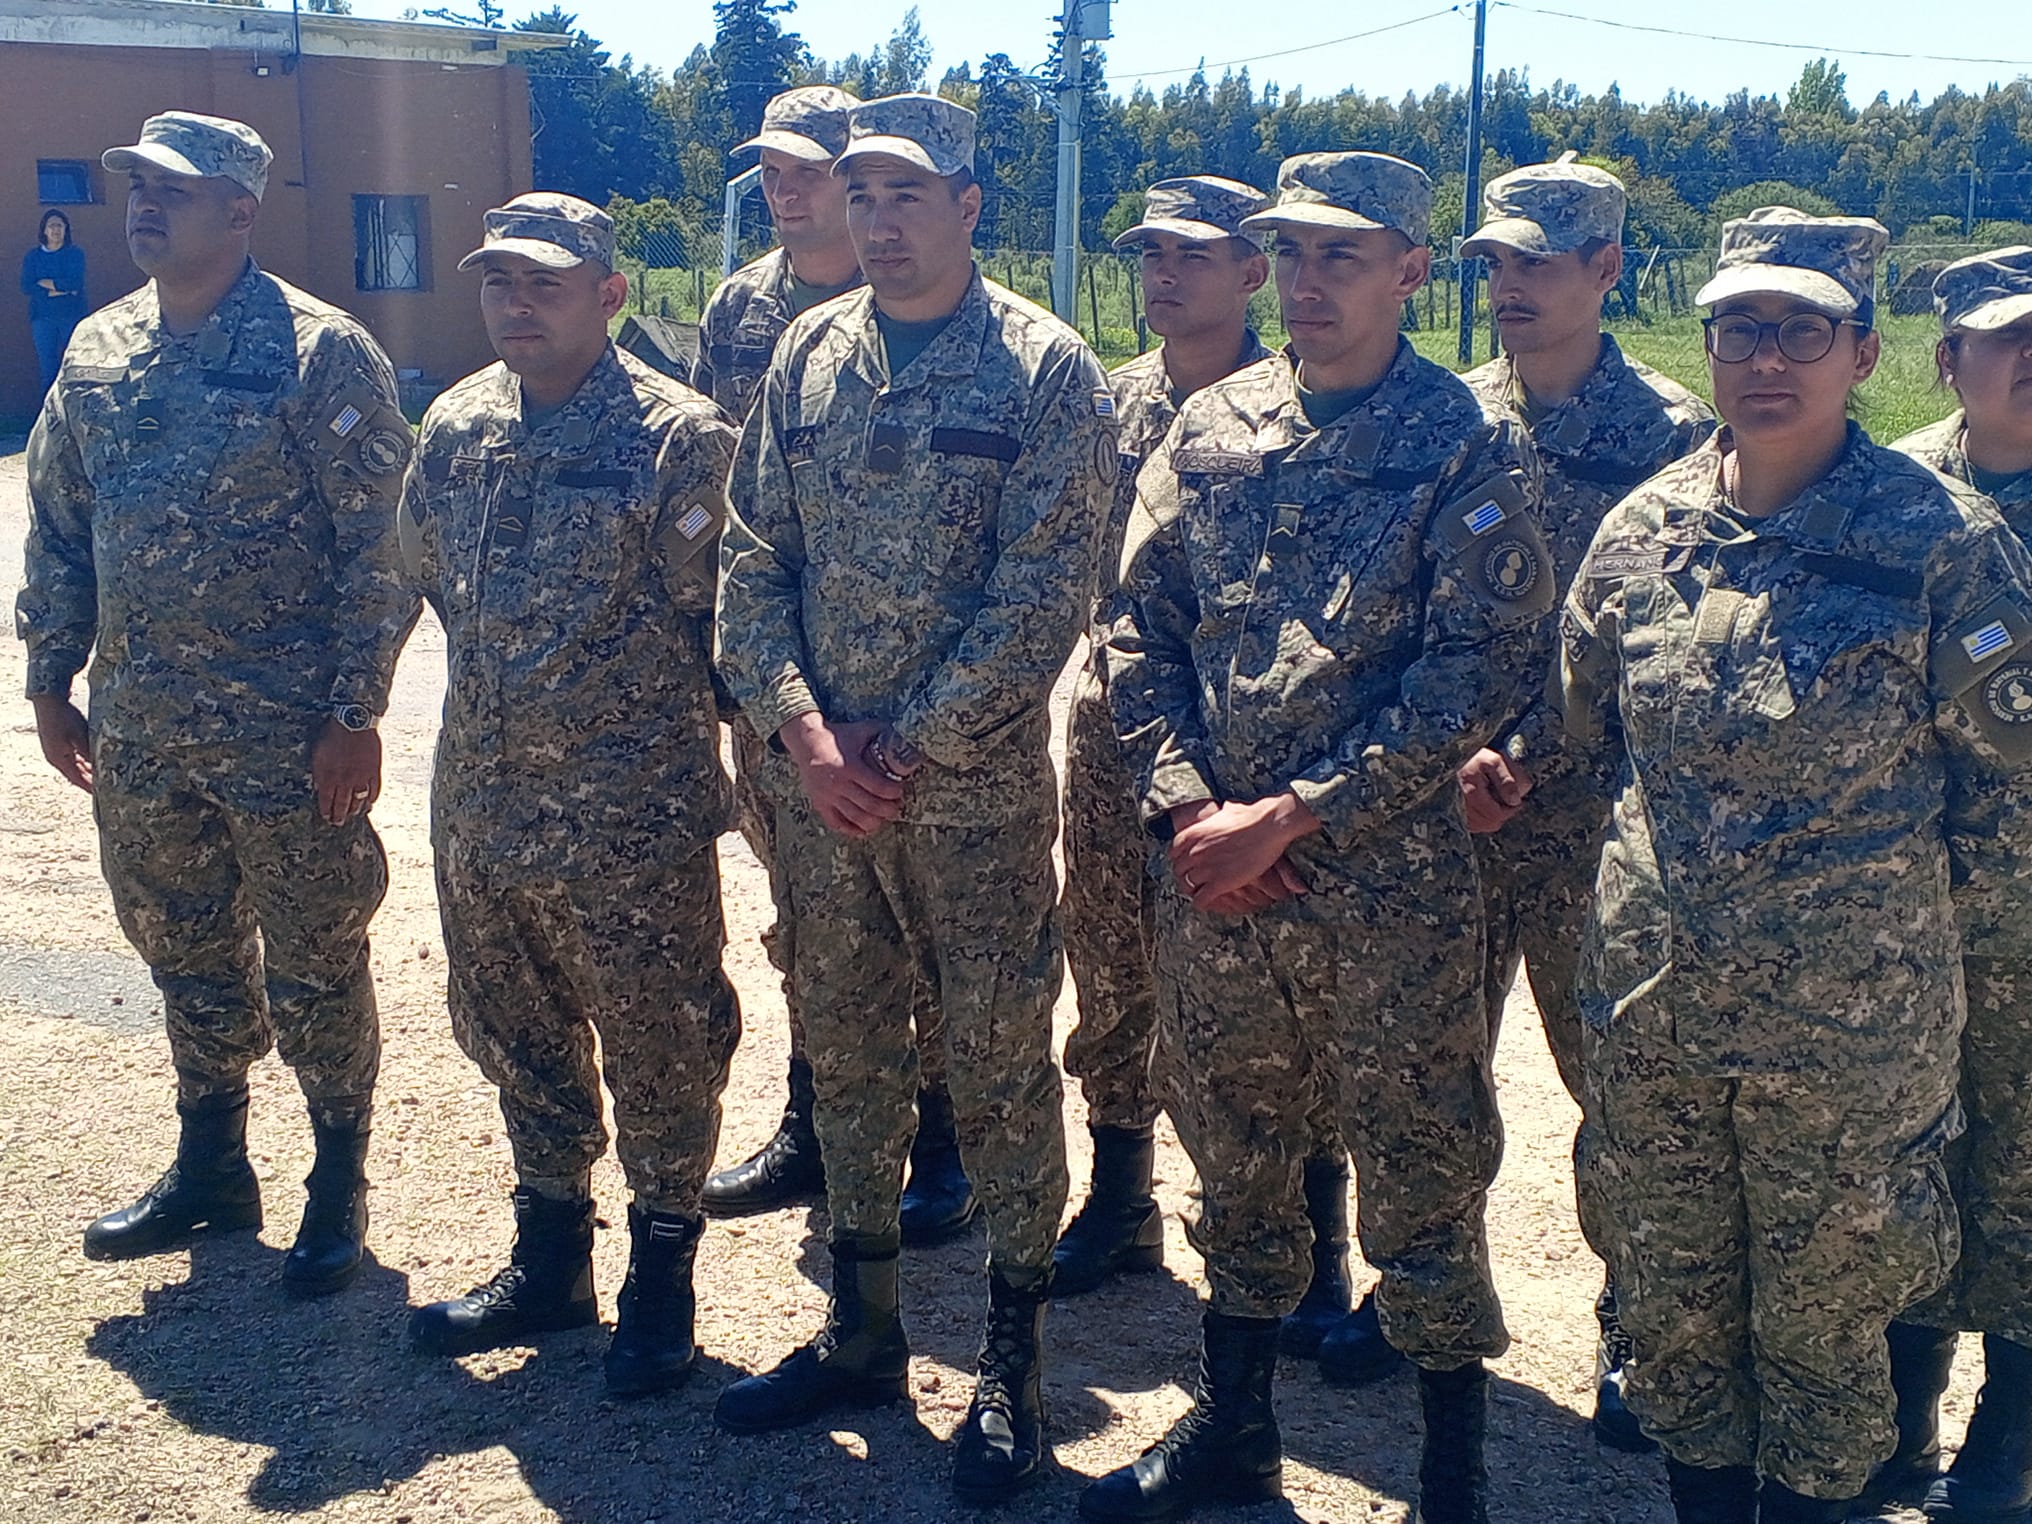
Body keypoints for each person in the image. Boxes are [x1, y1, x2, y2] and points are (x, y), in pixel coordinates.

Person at [1083, 151, 1551, 1524]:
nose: (1309, 280)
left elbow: (1475, 668)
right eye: (1291, 253)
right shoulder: (1212, 425)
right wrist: (1184, 808)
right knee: (1233, 1155)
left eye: (1344, 255)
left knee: (1423, 1166)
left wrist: (1295, 813)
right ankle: (1236, 1434)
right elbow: (1134, 626)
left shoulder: (1467, 442)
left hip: (1390, 890)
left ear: (1412, 270)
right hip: (1215, 886)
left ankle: (1449, 1473)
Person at [1560, 209, 2032, 1524]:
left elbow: (2010, 792)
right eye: (1741, 330)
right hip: (1662, 1030)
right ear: (1709, 348)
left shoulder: (1938, 540)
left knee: (1831, 1351)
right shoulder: (1639, 534)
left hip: (1851, 1049)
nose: (1771, 357)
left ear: (1866, 355)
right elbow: (1593, 736)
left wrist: (1906, 970)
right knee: (1682, 1323)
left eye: (1806, 332)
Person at [712, 93, 1113, 1504]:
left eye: (904, 195)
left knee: (1000, 1065)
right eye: (858, 194)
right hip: (827, 799)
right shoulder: (809, 357)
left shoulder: (1048, 372)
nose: (877, 222)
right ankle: (862, 1328)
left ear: (968, 206)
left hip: (974, 805)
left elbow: (1044, 592)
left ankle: (1014, 1358)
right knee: (849, 1050)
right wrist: (807, 734)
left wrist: (910, 746)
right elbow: (752, 562)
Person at [1316, 155, 1718, 1428]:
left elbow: (1655, 641)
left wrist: (1528, 751)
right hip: (1426, 813)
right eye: (1494, 262)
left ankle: (1633, 1318)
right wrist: (1445, 759)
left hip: (1585, 825)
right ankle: (1421, 1287)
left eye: (1540, 262)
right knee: (1420, 1063)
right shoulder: (1449, 416)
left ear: (1606, 269)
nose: (1512, 287)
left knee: (1615, 1079)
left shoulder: (1671, 440)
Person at [17, 112, 413, 1295]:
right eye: (136, 185)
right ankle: (212, 1163)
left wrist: (357, 710)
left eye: (174, 192)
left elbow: (379, 547)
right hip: (140, 724)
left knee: (315, 955)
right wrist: (51, 674)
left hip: (287, 736)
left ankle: (335, 1183)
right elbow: (61, 522)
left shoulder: (319, 351)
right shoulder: (97, 348)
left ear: (240, 212)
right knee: (181, 947)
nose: (145, 204)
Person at [396, 195, 743, 1397]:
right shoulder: (455, 426)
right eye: (498, 281)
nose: (516, 303)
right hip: (483, 804)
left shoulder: (680, 438)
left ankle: (662, 1272)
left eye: (544, 282)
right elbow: (420, 581)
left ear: (610, 294)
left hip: (628, 818)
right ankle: (551, 1256)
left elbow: (727, 630)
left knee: (661, 1039)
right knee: (513, 1028)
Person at [1057, 173, 1355, 1352]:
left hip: (1250, 756)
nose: (1164, 275)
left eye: (1194, 255)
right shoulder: (1108, 401)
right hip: (1114, 733)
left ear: (1251, 273)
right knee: (1111, 961)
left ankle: (1314, 1242)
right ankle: (1120, 1194)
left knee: (1290, 993)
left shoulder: (1290, 405)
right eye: (1149, 255)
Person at [694, 84, 977, 1244]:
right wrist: (771, 699)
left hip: (920, 713)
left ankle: (942, 1138)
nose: (789, 188)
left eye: (812, 168)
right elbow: (735, 506)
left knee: (933, 932)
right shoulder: (745, 315)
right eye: (778, 168)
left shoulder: (946, 326)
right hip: (786, 695)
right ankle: (821, 1117)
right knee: (806, 911)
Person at [1881, 244, 2032, 1522]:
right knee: (1911, 1163)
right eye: (2008, 335)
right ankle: (1899, 1418)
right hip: (1902, 920)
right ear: (1949, 360)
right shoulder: (1893, 496)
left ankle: (2006, 1445)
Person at [21, 208, 87, 392]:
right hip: (42, 319)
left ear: (66, 229)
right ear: (44, 230)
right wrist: (60, 289)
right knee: (48, 370)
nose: (55, 229)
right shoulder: (33, 257)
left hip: (71, 316)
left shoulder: (75, 254)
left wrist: (46, 284)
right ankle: (49, 417)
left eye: (59, 225)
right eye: (51, 226)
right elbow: (27, 286)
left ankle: (73, 414)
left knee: (74, 366)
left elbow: (75, 283)